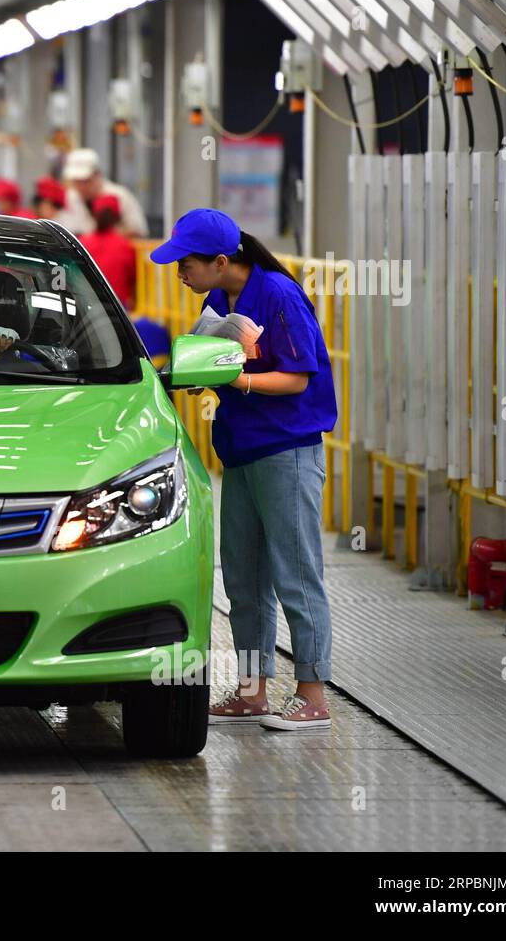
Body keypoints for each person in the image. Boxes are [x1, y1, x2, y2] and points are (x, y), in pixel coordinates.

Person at [150, 208, 337, 731]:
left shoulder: (277, 294)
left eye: (185, 264)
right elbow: (216, 362)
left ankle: (313, 694)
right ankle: (253, 692)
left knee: (296, 573)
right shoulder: (217, 299)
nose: (178, 273)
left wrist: (239, 382)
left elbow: (299, 378)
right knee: (243, 577)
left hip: (286, 450)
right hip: (241, 450)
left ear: (220, 260)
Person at [59, 148, 147, 238]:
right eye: (77, 181)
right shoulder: (71, 197)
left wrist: (106, 236)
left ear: (98, 175)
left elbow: (138, 230)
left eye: (85, 181)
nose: (81, 187)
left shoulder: (119, 196)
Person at [78, 194, 137, 311]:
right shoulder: (124, 245)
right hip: (118, 308)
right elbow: (133, 279)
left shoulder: (82, 242)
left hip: (86, 304)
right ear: (117, 217)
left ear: (94, 215)